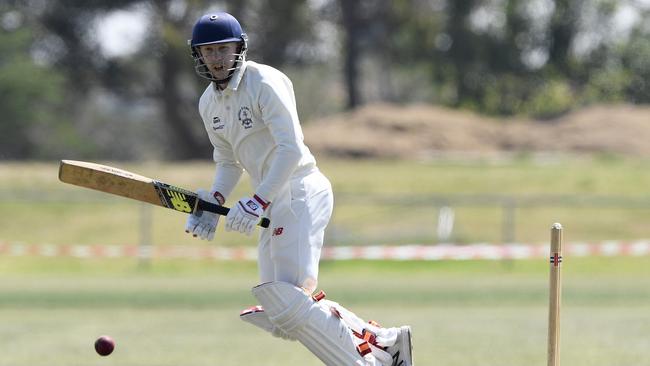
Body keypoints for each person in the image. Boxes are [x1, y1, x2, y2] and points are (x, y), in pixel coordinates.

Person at [185, 11, 414, 366]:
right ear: (198, 54)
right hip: (271, 200)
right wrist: (214, 202)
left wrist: (258, 199)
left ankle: (367, 362)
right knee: (280, 312)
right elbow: (228, 161)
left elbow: (290, 148)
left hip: (299, 189)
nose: (216, 58)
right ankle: (385, 341)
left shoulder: (263, 81)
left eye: (223, 49)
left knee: (287, 298)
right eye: (208, 51)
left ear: (239, 48)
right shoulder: (208, 103)